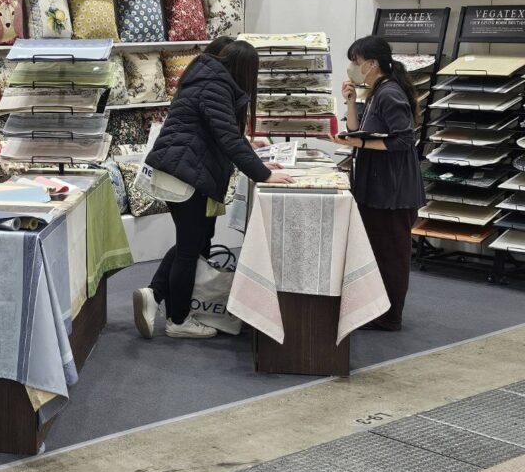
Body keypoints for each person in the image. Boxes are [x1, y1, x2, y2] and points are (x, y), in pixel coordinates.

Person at [133, 41, 293, 340]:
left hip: (185, 170)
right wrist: (264, 175)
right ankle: (178, 320)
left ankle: (154, 295)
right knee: (190, 248)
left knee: (194, 241)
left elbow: (221, 132)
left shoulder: (205, 77)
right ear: (244, 68)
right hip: (186, 174)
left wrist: (253, 153)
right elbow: (227, 138)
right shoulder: (216, 84)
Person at [331, 35, 425, 331]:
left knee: (391, 255)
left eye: (355, 61)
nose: (352, 67)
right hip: (377, 188)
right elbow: (358, 130)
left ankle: (390, 316)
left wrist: (357, 143)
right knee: (377, 251)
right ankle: (377, 310)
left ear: (371, 64)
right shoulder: (376, 92)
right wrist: (349, 102)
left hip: (392, 191)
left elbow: (403, 140)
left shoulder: (389, 93)